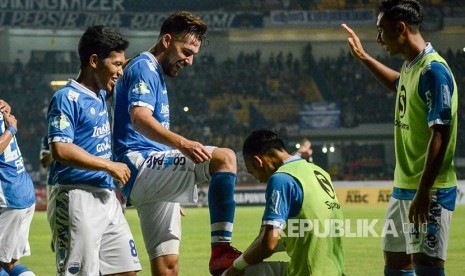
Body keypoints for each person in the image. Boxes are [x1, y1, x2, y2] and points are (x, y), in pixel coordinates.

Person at [112, 11, 240, 276]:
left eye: (194, 54)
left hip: (152, 172)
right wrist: (182, 144)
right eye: (186, 51)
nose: (190, 61)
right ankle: (221, 250)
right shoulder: (144, 67)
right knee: (224, 158)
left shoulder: (152, 71)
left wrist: (168, 184)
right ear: (167, 40)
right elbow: (139, 119)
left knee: (167, 266)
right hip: (140, 165)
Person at [342, 0, 458, 275]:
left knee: (427, 267)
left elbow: (441, 134)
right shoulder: (411, 67)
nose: (379, 39)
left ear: (400, 28)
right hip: (402, 186)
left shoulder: (434, 71)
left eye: (382, 31)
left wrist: (422, 193)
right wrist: (364, 57)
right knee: (395, 263)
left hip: (429, 190)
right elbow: (399, 83)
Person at [46, 25, 141, 275]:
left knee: (126, 271)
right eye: (117, 64)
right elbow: (60, 149)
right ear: (94, 61)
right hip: (75, 196)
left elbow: (121, 65)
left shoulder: (99, 94)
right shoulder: (66, 98)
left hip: (106, 197)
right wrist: (108, 165)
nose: (121, 71)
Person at [223, 129, 345, 276]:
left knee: (233, 274)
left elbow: (267, 244)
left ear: (258, 161)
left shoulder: (281, 178)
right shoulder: (319, 172)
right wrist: (248, 255)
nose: (258, 180)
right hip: (334, 271)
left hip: (307, 272)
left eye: (252, 172)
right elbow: (308, 230)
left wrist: (235, 267)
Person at [0, 99, 36, 276]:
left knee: (6, 262)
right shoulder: (3, 111)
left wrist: (11, 129)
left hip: (10, 196)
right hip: (23, 192)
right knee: (10, 261)